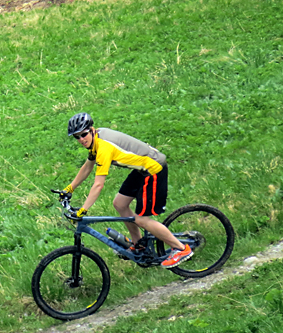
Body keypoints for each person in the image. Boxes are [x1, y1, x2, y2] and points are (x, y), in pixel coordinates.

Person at [61, 112, 192, 268]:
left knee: (142, 219)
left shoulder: (103, 147)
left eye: (83, 134)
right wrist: (69, 189)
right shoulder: (96, 140)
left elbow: (98, 185)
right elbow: (87, 166)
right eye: (77, 137)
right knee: (120, 203)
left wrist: (83, 209)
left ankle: (180, 248)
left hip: (154, 168)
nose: (81, 139)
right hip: (142, 169)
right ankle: (139, 245)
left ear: (92, 129)